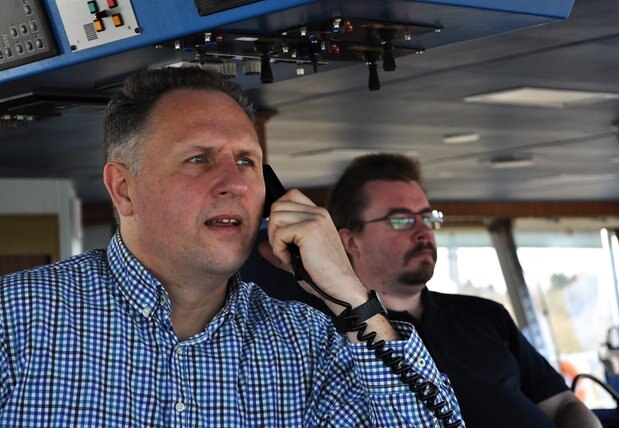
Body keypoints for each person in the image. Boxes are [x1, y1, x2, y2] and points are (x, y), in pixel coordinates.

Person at [0, 67, 464, 427]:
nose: (235, 184)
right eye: (198, 159)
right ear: (123, 189)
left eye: (247, 161)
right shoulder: (15, 319)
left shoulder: (308, 343)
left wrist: (352, 297)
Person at [325, 153, 619, 428]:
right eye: (402, 220)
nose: (423, 231)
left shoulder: (483, 316)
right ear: (350, 240)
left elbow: (562, 404)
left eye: (428, 217)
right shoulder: (329, 334)